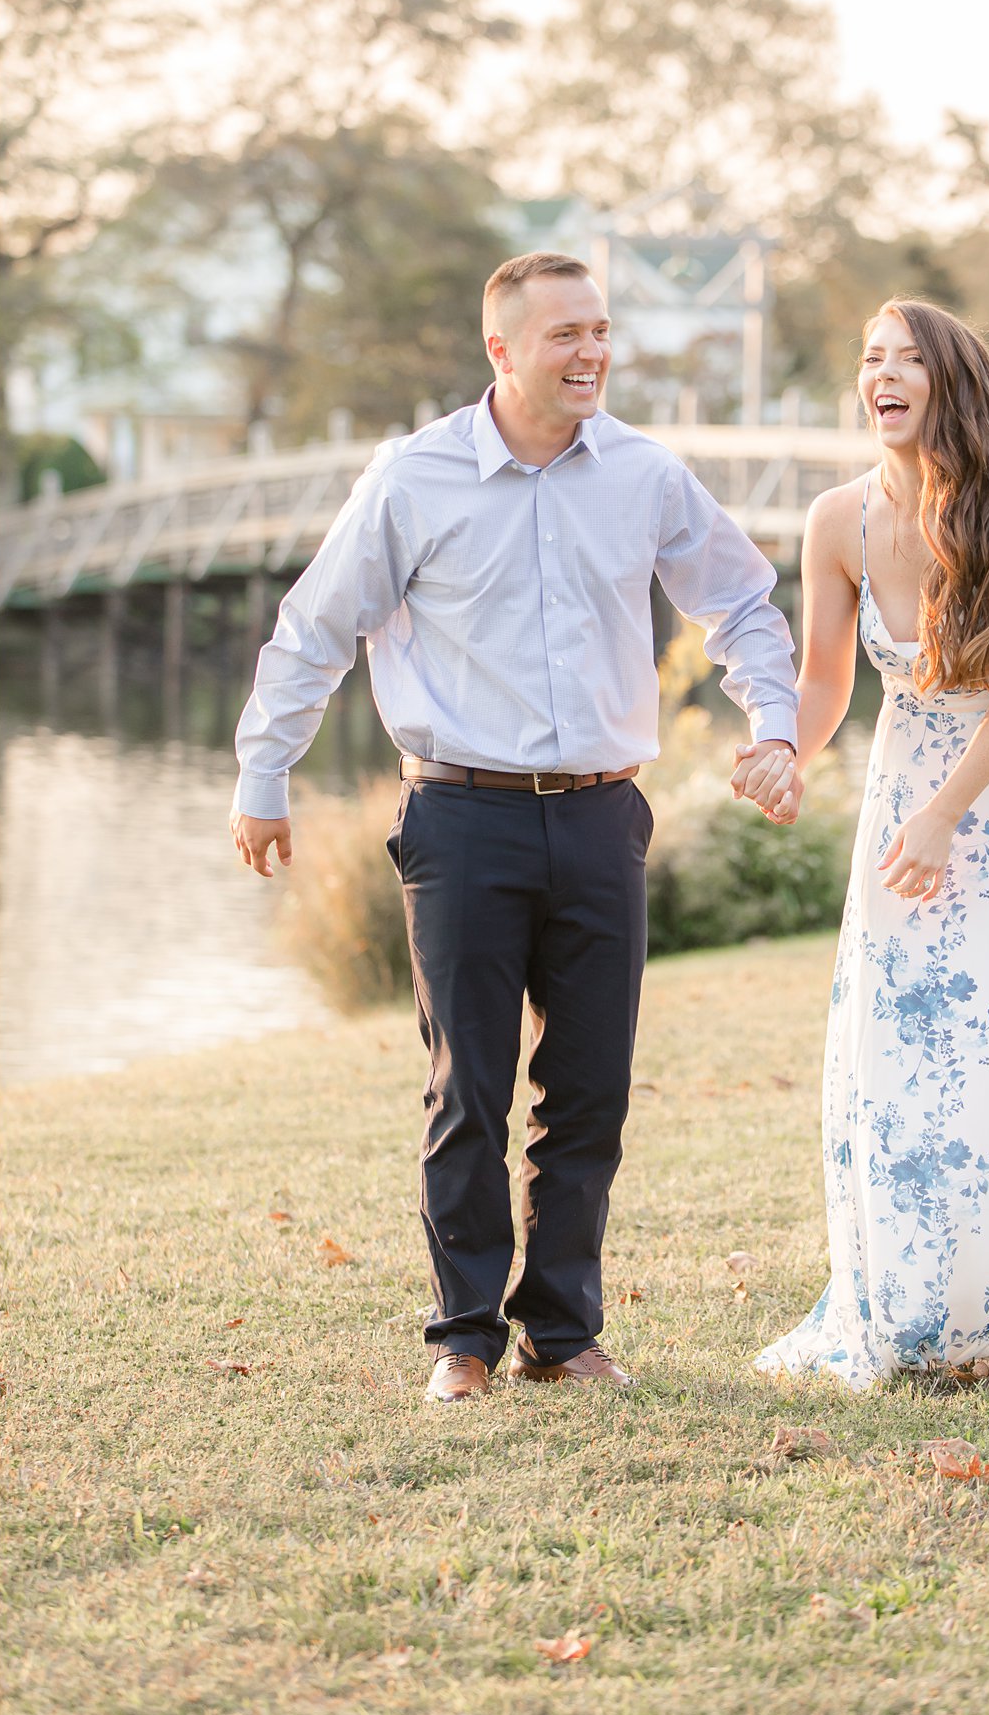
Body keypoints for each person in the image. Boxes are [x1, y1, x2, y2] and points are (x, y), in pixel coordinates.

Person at [230, 251, 798, 1402]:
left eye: (599, 331)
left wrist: (771, 722)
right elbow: (315, 629)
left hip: (599, 821)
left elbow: (739, 598)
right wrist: (263, 775)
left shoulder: (641, 473)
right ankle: (463, 1342)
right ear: (502, 349)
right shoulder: (413, 476)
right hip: (459, 818)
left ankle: (562, 1330)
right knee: (467, 1090)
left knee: (588, 1092)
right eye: (564, 336)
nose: (590, 353)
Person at [749, 299, 989, 1390]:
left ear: (951, 382)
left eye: (907, 358)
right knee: (900, 1048)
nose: (883, 374)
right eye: (870, 359)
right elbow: (821, 685)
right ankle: (911, 1297)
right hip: (904, 790)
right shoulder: (836, 522)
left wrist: (947, 812)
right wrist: (788, 751)